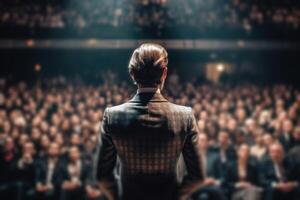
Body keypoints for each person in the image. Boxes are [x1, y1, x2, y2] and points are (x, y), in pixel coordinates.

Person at [95, 43, 203, 200]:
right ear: (164, 73)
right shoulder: (184, 116)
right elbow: (197, 176)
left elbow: (102, 176)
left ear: (132, 73)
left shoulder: (112, 116)